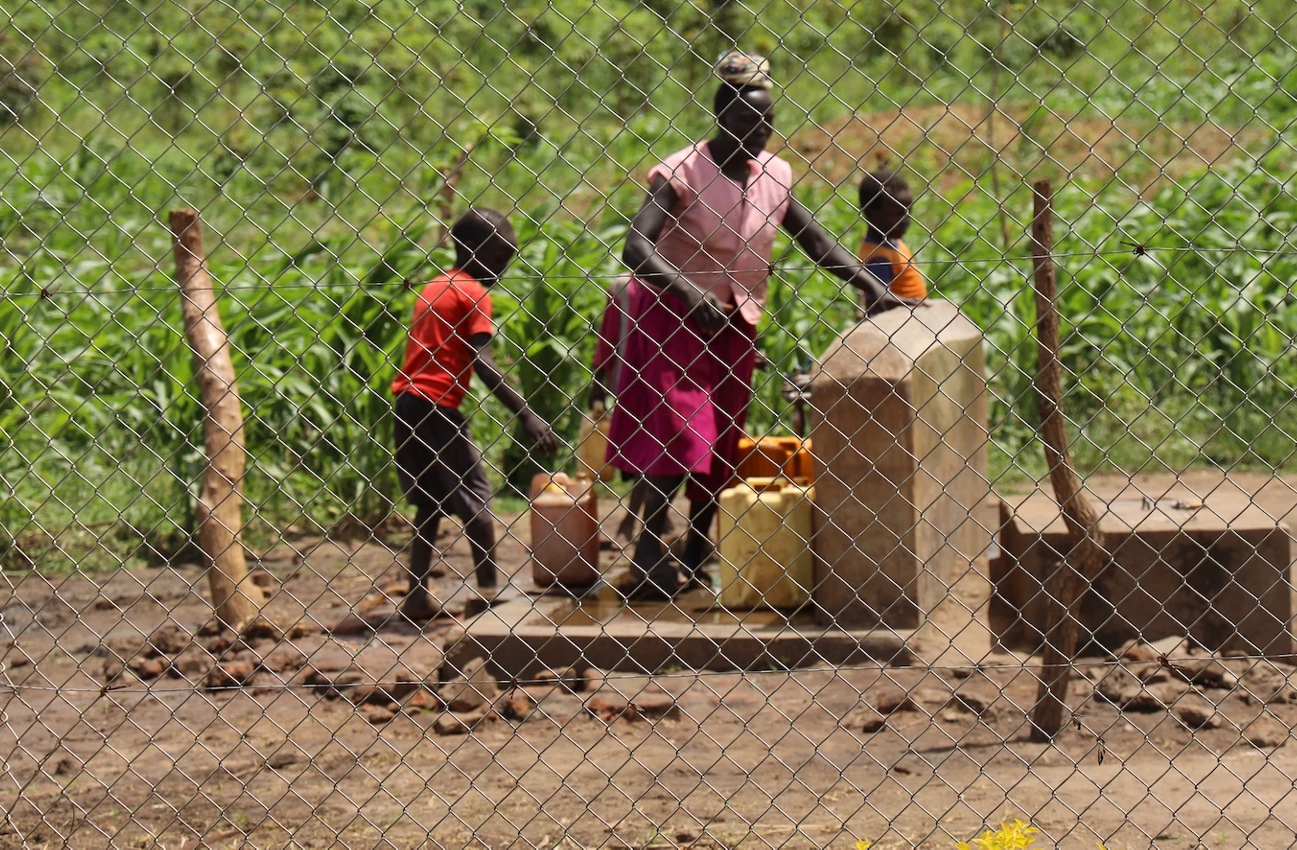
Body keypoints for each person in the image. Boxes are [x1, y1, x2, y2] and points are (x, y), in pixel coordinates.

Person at [589, 51, 921, 601]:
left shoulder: (774, 175)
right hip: (672, 319)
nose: (759, 134)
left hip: (734, 324)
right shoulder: (682, 172)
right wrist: (689, 291)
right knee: (680, 437)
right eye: (748, 122)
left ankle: (696, 555)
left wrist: (872, 286)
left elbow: (815, 242)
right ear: (721, 117)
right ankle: (650, 555)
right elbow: (635, 246)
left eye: (767, 123)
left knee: (720, 442)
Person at [391, 208, 557, 620]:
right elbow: (482, 363)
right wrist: (526, 414)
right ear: (473, 250)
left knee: (430, 502)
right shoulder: (473, 293)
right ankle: (489, 594)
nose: (503, 268)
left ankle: (416, 594)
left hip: (408, 405)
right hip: (436, 408)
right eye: (499, 257)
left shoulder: (436, 285)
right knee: (479, 502)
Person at [855, 169, 927, 301]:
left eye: (908, 213)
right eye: (898, 214)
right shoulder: (879, 258)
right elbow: (878, 303)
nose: (906, 221)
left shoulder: (890, 241)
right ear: (871, 212)